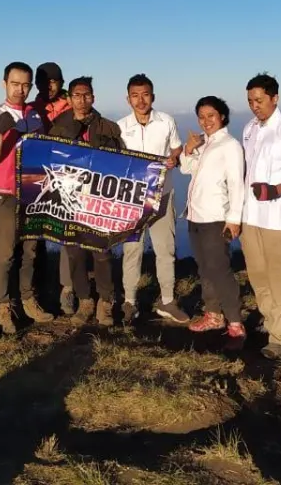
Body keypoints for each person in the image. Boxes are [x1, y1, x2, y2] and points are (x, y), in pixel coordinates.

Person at [0, 61, 57, 335]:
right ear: (5, 84)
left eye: (25, 84)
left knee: (30, 250)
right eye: (15, 84)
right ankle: (1, 305)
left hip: (32, 191)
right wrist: (3, 130)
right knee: (4, 253)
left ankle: (27, 299)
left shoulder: (35, 116)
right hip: (3, 193)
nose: (20, 89)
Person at [47, 76, 125, 326]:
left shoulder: (109, 127)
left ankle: (105, 301)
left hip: (99, 201)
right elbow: (49, 161)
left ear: (94, 97)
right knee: (74, 254)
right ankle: (84, 300)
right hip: (70, 201)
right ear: (69, 98)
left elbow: (123, 163)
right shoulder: (58, 126)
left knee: (102, 254)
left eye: (87, 95)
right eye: (77, 95)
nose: (82, 100)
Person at [240, 73, 281, 359]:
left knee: (280, 278)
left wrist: (273, 190)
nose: (255, 105)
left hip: (278, 219)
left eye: (260, 100)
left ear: (275, 98)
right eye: (251, 101)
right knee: (258, 276)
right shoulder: (249, 129)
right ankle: (270, 323)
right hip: (250, 216)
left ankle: (279, 337)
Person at [116, 74, 188, 325]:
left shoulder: (166, 121)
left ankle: (167, 300)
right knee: (131, 250)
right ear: (128, 99)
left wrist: (173, 157)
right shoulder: (120, 127)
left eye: (145, 94)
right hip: (132, 199)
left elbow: (177, 148)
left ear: (152, 96)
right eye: (135, 95)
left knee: (165, 249)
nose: (140, 100)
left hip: (162, 195)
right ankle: (130, 302)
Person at [181, 96, 247, 342]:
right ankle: (213, 315)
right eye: (201, 116)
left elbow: (236, 184)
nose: (206, 121)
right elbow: (186, 169)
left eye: (211, 115)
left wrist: (234, 219)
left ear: (222, 116)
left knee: (220, 270)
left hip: (215, 218)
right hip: (196, 216)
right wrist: (189, 149)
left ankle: (235, 321)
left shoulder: (230, 145)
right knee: (205, 269)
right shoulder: (205, 143)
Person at [30, 61, 75, 314]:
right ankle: (38, 288)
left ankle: (67, 289)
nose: (49, 86)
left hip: (69, 180)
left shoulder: (74, 104)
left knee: (69, 235)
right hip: (37, 178)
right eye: (43, 81)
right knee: (35, 235)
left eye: (54, 81)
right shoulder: (31, 107)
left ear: (61, 82)